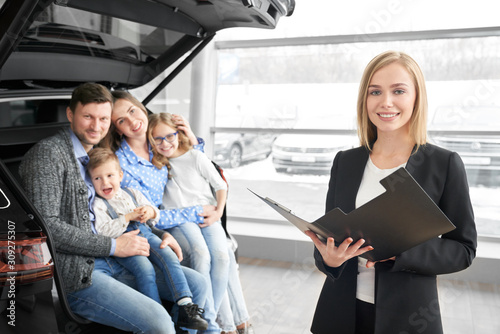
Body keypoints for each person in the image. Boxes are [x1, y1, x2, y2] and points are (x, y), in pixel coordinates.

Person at [305, 51, 477, 334]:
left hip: (407, 317)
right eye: (375, 91)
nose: (386, 102)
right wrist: (328, 259)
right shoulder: (345, 162)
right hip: (340, 314)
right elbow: (330, 235)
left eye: (398, 90)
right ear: (365, 99)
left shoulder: (443, 164)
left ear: (416, 98)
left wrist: (401, 254)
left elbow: (464, 250)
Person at [19, 82, 209, 334]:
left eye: (103, 118)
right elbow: (48, 227)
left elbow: (123, 204)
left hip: (120, 256)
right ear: (70, 114)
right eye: (87, 116)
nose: (96, 126)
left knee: (198, 285)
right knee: (160, 323)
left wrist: (160, 234)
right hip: (82, 273)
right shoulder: (48, 156)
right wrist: (113, 247)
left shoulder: (99, 155)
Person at [105, 91, 254, 334]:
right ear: (117, 129)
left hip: (185, 214)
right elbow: (151, 215)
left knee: (223, 252)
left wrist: (193, 141)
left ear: (140, 107)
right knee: (202, 254)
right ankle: (212, 325)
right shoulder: (122, 163)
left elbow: (194, 167)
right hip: (161, 224)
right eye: (121, 120)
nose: (132, 122)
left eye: (132, 111)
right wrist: (196, 211)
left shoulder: (157, 140)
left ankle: (233, 323)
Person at [88, 147, 208, 331]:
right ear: (91, 181)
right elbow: (102, 231)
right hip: (125, 242)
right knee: (144, 269)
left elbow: (154, 214)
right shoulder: (98, 203)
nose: (105, 182)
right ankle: (158, 312)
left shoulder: (132, 193)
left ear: (120, 175)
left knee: (168, 257)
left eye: (110, 175)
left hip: (147, 234)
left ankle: (184, 304)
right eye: (97, 178)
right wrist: (126, 218)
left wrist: (150, 212)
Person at [148, 112, 231, 325]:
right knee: (201, 254)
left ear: (179, 134)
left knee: (222, 257)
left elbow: (220, 184)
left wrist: (219, 212)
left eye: (169, 136)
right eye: (158, 139)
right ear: (151, 140)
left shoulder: (195, 156)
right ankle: (208, 321)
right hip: (182, 218)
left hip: (207, 213)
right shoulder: (157, 165)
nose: (165, 143)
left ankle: (209, 317)